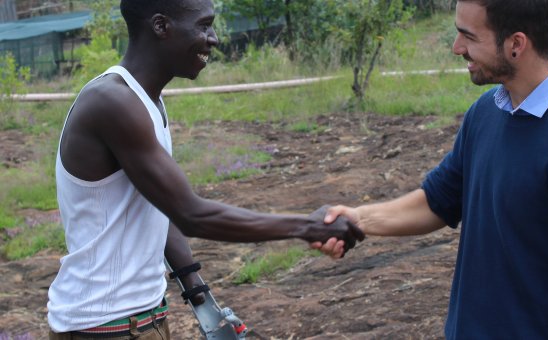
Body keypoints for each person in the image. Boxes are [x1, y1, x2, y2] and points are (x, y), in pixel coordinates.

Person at [313, 0, 548, 338]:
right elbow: (438, 201)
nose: (457, 48)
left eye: (468, 36)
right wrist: (357, 219)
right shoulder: (486, 113)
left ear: (516, 44)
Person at [48, 0, 364, 338]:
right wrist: (309, 227)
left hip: (142, 319)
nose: (212, 38)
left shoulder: (145, 99)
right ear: (161, 26)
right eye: (204, 25)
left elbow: (158, 205)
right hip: (105, 327)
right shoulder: (113, 103)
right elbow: (191, 214)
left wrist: (198, 292)